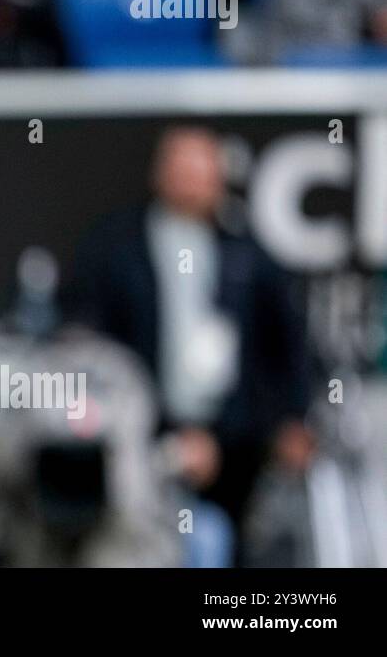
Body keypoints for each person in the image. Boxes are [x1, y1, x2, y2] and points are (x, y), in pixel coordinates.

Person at [61, 126, 314, 565]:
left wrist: (288, 419)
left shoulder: (246, 252)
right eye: (182, 170)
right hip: (139, 442)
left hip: (235, 445)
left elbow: (287, 344)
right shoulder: (117, 248)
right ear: (160, 175)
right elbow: (88, 347)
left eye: (203, 172)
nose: (193, 183)